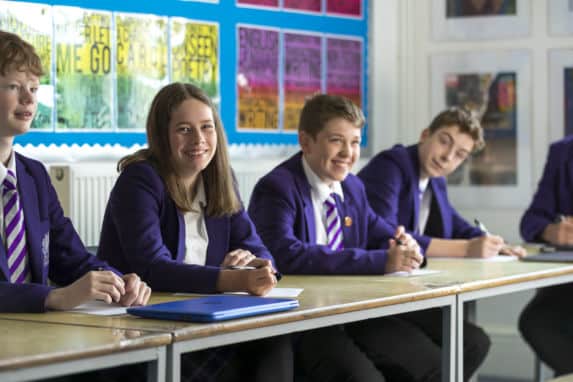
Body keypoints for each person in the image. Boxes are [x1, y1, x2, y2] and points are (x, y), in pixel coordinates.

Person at [249, 94, 464, 382]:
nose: (348, 153)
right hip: (305, 321)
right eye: (336, 140)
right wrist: (381, 261)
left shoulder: (352, 186)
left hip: (352, 312)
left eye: (354, 142)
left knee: (437, 365)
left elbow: (378, 227)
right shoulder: (277, 187)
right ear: (306, 141)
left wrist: (405, 246)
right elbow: (285, 254)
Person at [98, 82, 292, 382]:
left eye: (206, 127)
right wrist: (232, 279)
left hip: (204, 317)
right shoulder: (140, 180)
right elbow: (153, 267)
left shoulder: (220, 178)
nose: (199, 139)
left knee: (276, 343)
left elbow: (262, 252)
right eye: (184, 129)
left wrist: (255, 264)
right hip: (144, 326)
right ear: (162, 135)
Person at [0, 30, 150, 313]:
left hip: (37, 334)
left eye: (33, 88)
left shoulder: (34, 176)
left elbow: (71, 258)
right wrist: (52, 297)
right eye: (14, 86)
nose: (28, 100)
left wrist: (116, 281)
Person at [358, 106, 525, 259]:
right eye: (444, 142)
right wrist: (467, 249)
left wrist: (493, 244)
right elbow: (386, 235)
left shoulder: (436, 180)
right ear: (425, 135)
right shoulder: (390, 165)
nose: (448, 157)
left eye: (460, 154)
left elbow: (455, 224)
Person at [518, 135, 573, 376]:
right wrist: (551, 231)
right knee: (536, 321)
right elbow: (531, 221)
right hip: (567, 284)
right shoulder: (562, 153)